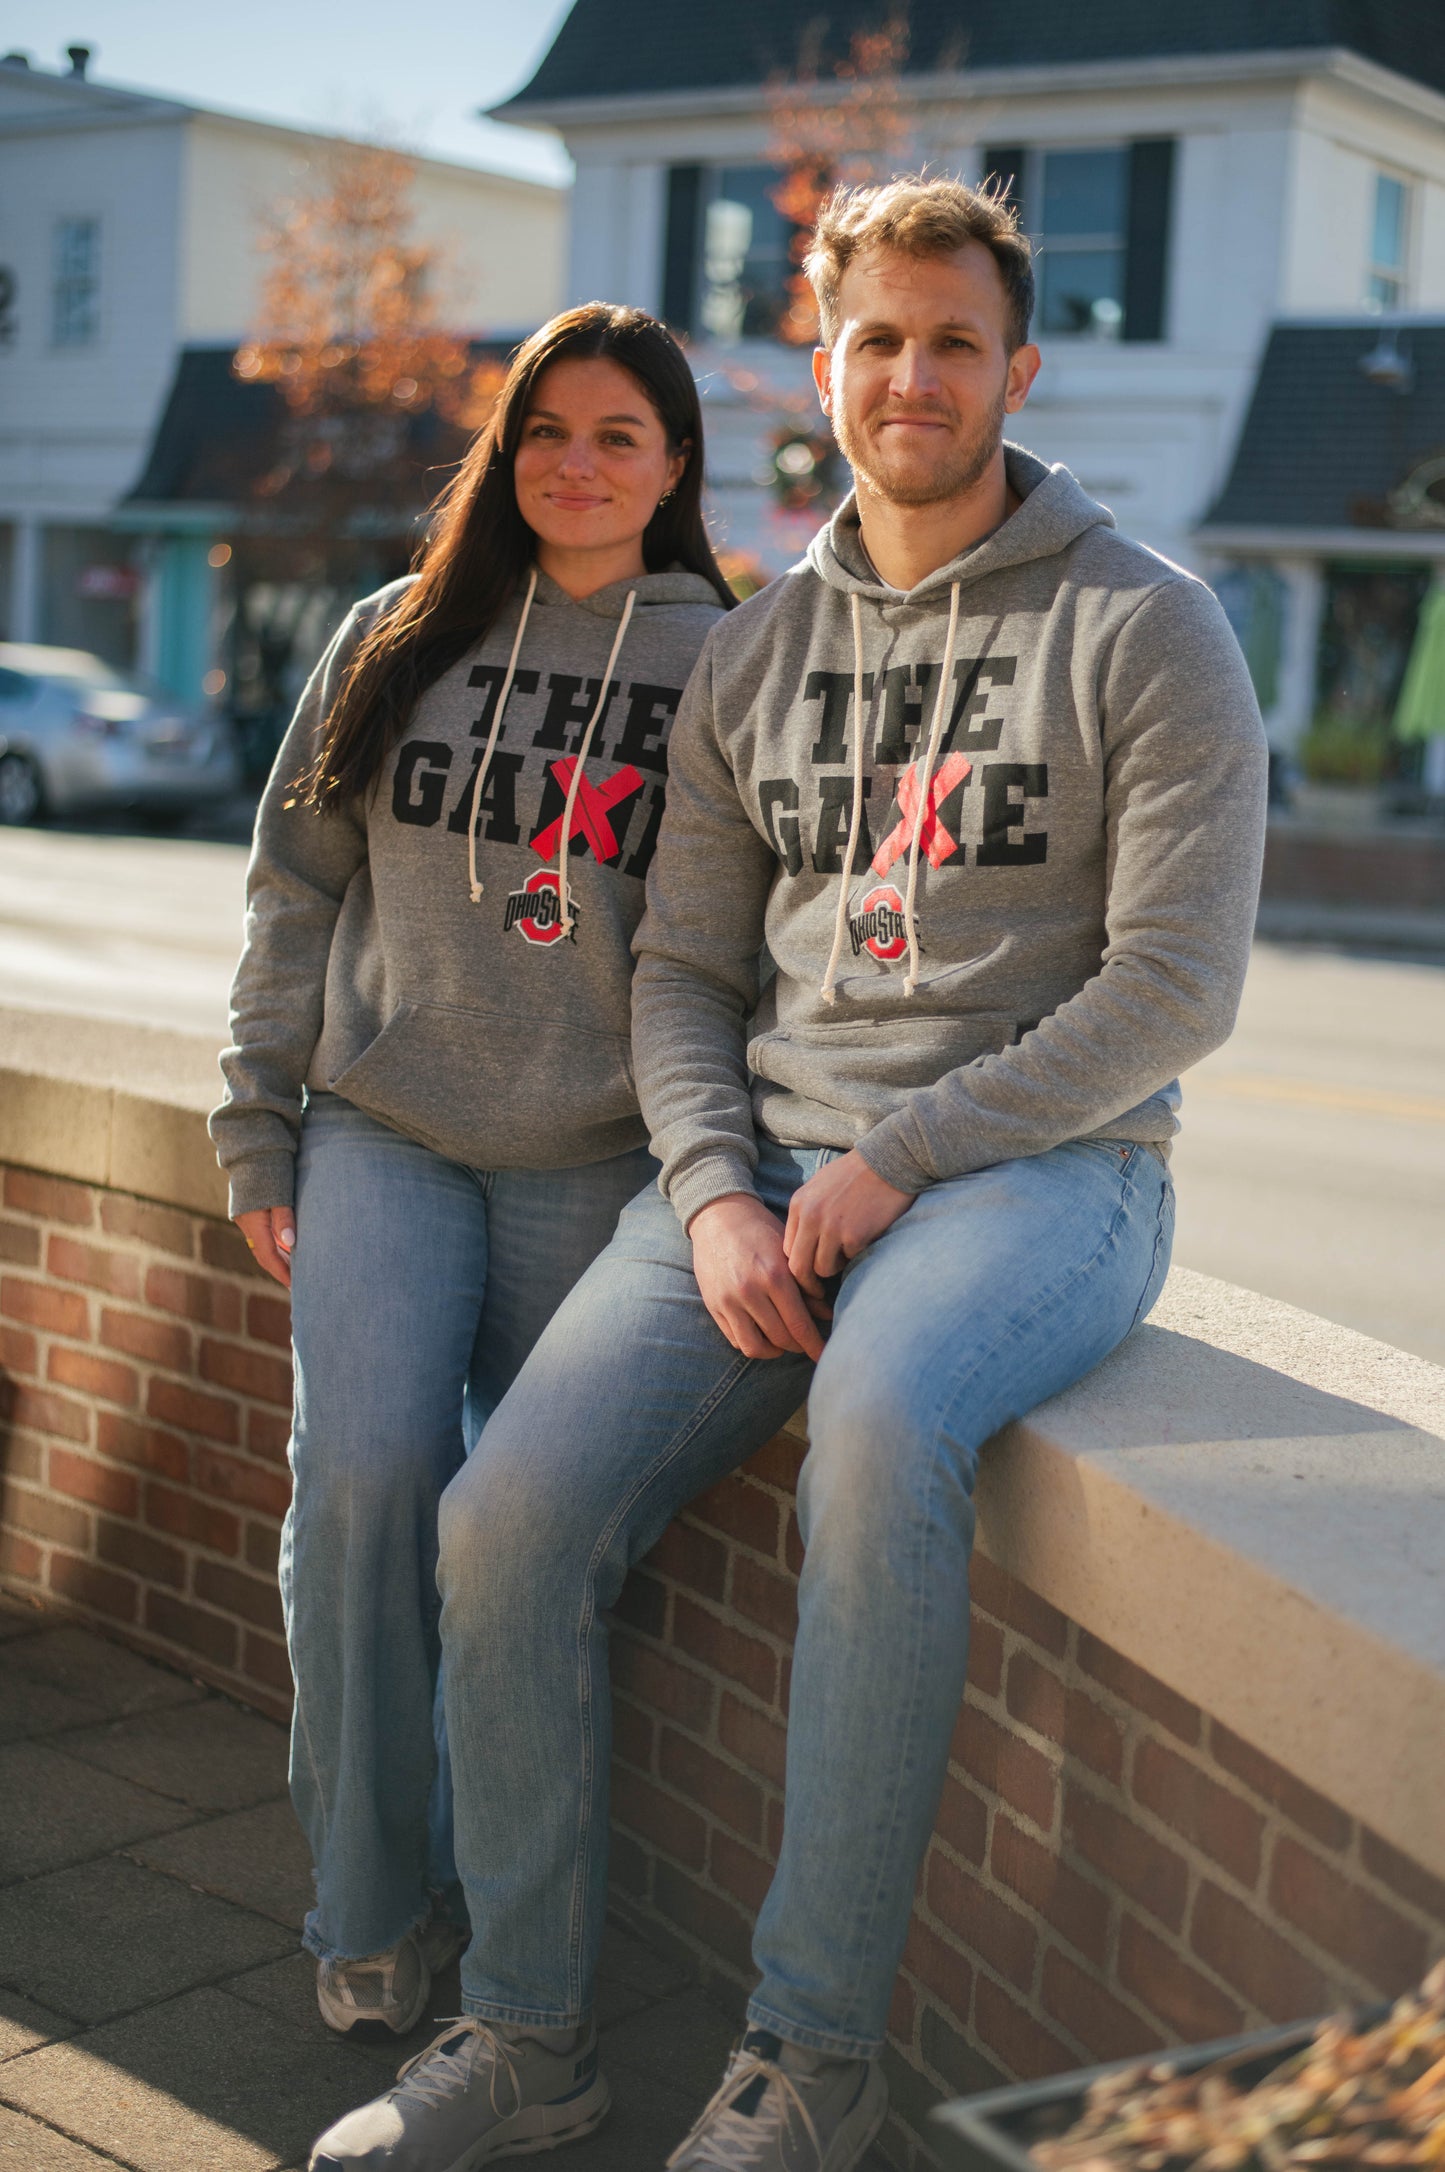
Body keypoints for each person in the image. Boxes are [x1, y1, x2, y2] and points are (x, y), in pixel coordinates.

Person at [308, 176, 1266, 2171]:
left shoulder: (1149, 627)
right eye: (877, 338)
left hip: (1044, 1171)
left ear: (1016, 362)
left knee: (881, 1426)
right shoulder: (763, 654)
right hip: (767, 1171)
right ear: (819, 368)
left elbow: (1172, 990)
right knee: (500, 1521)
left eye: (952, 338)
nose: (913, 373)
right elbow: (681, 972)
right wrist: (723, 1188)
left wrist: (896, 1161)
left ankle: (810, 2062)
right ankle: (532, 2040)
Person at [209, 303, 733, 2044]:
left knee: (515, 1555)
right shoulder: (398, 631)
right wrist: (253, 1113)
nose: (576, 466)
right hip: (387, 1132)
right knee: (358, 1489)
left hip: (595, 1162)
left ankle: (518, 1958)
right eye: (548, 432)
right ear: (507, 453)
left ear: (673, 470)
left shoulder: (724, 661)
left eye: (619, 438)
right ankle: (366, 1907)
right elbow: (294, 890)